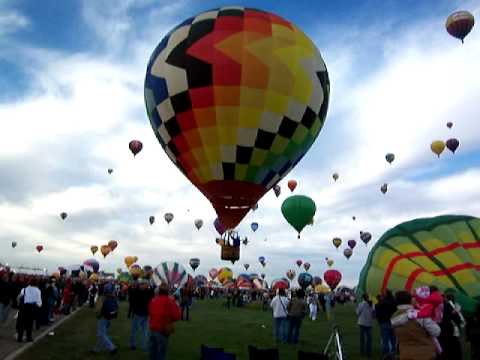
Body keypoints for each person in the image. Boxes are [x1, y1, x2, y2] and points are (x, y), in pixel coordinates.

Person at [391, 290, 441, 360]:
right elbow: (436, 332)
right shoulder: (420, 314)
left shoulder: (393, 317)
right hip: (425, 354)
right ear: (411, 300)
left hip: (405, 354)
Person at [148, 282, 181, 360]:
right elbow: (177, 316)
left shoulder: (153, 300)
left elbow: (150, 312)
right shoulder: (170, 301)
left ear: (159, 291)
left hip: (152, 329)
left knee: (152, 351)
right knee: (161, 353)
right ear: (168, 291)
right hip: (162, 330)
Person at [92, 283, 118, 355]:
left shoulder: (102, 298)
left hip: (102, 317)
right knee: (103, 333)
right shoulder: (113, 297)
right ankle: (96, 349)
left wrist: (97, 314)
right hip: (109, 317)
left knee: (101, 334)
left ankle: (112, 347)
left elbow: (97, 309)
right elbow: (116, 307)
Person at [129, 279, 154, 351]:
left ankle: (142, 345)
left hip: (144, 314)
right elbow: (131, 299)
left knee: (143, 331)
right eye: (143, 284)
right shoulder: (139, 291)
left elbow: (132, 298)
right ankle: (134, 344)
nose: (144, 286)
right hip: (140, 313)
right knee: (138, 330)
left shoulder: (145, 292)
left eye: (145, 284)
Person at [438, 293, 463, 360]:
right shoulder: (449, 305)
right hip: (450, 333)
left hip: (441, 334)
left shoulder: (435, 306)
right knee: (453, 350)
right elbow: (459, 320)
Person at [17, 278, 42, 342]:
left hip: (24, 307)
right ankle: (29, 337)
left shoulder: (24, 289)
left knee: (22, 323)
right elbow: (39, 302)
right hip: (32, 307)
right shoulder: (38, 290)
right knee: (30, 323)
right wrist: (39, 306)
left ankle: (20, 337)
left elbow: (19, 297)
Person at [375, 290, 397, 356]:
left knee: (385, 340)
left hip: (384, 323)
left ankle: (386, 355)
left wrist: (379, 321)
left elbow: (377, 313)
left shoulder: (380, 304)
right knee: (393, 339)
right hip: (393, 322)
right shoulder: (394, 302)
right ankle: (393, 353)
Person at [356, 294, 374, 358]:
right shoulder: (371, 304)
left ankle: (362, 352)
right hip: (369, 323)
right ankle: (368, 352)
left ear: (363, 298)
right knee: (369, 339)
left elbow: (357, 312)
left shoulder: (361, 304)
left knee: (362, 339)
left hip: (362, 322)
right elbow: (373, 312)